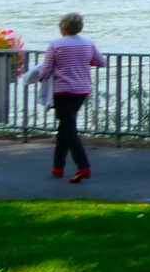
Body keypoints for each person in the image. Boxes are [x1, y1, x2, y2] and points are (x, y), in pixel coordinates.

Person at [41, 13, 106, 182]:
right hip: (82, 90)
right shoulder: (87, 44)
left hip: (62, 90)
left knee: (68, 128)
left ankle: (83, 166)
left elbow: (46, 69)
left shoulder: (56, 45)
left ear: (63, 28)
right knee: (65, 126)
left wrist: (36, 76)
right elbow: (101, 62)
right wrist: (85, 62)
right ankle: (58, 167)